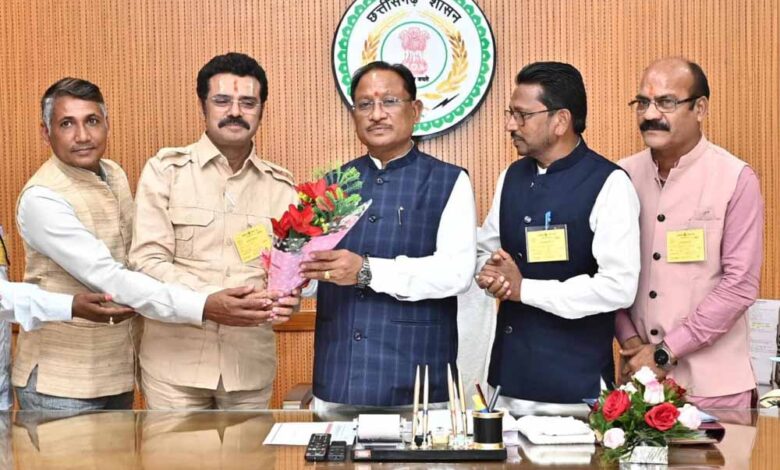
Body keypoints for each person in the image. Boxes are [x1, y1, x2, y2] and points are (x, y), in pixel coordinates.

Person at [14, 77, 274, 411]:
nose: (82, 136)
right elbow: (110, 277)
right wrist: (204, 305)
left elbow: (139, 258)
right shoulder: (42, 199)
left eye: (92, 121)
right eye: (67, 124)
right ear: (46, 132)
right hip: (61, 383)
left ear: (107, 124)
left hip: (117, 372)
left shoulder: (113, 174)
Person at [300, 61, 476, 409]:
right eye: (365, 104)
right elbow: (313, 274)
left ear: (415, 110)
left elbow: (457, 273)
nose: (376, 114)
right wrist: (290, 275)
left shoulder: (449, 181)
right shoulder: (332, 184)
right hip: (339, 376)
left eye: (390, 102)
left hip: (417, 382)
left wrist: (366, 270)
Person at [129, 52, 300, 410]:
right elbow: (146, 262)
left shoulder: (283, 188)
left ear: (261, 110)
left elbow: (290, 274)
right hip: (175, 367)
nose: (235, 112)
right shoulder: (166, 172)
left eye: (248, 103)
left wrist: (289, 297)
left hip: (248, 366)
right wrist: (207, 303)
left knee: (251, 450)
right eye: (222, 101)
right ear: (203, 106)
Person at [476, 62, 640, 415]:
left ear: (560, 120)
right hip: (508, 380)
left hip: (574, 389)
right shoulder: (511, 177)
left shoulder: (609, 183)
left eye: (522, 115)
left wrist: (525, 289)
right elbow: (485, 249)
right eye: (510, 114)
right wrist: (489, 272)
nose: (510, 125)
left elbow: (618, 287)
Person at [617, 57, 763, 409]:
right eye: (642, 103)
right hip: (640, 385)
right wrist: (633, 345)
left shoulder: (735, 178)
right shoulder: (620, 178)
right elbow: (607, 272)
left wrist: (666, 352)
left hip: (715, 390)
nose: (650, 114)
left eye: (666, 102)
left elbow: (739, 285)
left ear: (700, 108)